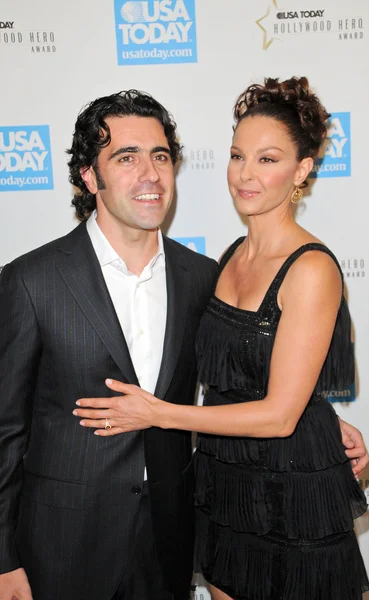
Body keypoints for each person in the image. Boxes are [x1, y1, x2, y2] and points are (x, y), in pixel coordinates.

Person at [74, 78, 369, 600]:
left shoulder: (311, 269)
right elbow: (247, 371)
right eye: (237, 156)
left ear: (301, 171)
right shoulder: (227, 259)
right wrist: (324, 414)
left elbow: (280, 415)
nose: (246, 175)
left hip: (290, 486)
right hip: (225, 482)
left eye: (268, 159)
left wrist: (159, 413)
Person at [0, 90, 219, 600]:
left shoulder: (202, 278)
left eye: (160, 156)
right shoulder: (31, 282)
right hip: (61, 549)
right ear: (89, 177)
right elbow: (5, 429)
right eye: (126, 157)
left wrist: (322, 425)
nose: (151, 174)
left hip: (169, 544)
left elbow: (236, 389)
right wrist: (3, 560)